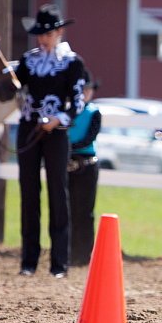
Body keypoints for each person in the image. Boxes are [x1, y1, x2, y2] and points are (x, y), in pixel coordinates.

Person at [15, 4, 86, 278]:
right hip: (29, 130)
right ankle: (28, 261)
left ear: (58, 32)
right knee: (28, 193)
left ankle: (59, 263)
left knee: (58, 192)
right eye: (39, 34)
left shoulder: (72, 62)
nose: (42, 39)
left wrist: (58, 120)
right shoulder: (28, 60)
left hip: (56, 133)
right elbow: (13, 86)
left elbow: (77, 102)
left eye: (46, 34)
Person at [67, 70, 101, 267]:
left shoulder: (94, 112)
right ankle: (70, 252)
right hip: (68, 162)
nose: (87, 93)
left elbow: (90, 137)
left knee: (85, 211)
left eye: (89, 89)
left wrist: (68, 149)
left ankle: (84, 254)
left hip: (86, 163)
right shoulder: (68, 110)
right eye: (83, 89)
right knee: (69, 210)